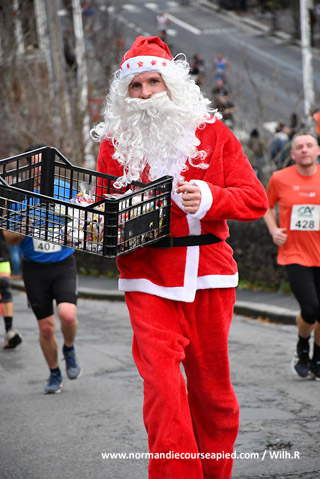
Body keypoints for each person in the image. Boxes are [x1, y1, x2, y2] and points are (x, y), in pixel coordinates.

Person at [91, 36, 268, 479]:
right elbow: (101, 209)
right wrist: (95, 214)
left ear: (173, 86)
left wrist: (210, 196)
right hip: (146, 276)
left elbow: (254, 200)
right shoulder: (113, 143)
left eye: (154, 82)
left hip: (209, 276)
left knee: (212, 394)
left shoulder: (213, 133)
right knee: (164, 392)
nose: (147, 94)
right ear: (124, 95)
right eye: (136, 86)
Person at [3, 144, 81, 394]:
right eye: (34, 165)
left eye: (44, 165)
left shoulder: (64, 189)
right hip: (35, 267)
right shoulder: (18, 194)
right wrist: (23, 226)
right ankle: (54, 374)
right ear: (28, 167)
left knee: (67, 314)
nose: (39, 171)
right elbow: (9, 239)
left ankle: (69, 348)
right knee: (46, 326)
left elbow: (82, 223)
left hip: (63, 262)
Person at [264, 132, 320, 380]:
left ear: (317, 151)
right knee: (310, 309)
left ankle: (317, 357)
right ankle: (302, 345)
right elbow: (265, 206)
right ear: (293, 154)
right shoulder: (280, 178)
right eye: (300, 147)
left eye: (310, 145)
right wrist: (274, 229)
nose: (305, 150)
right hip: (294, 254)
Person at [0, 230, 22, 349]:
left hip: (2, 256)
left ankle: (9, 331)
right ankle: (9, 330)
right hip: (3, 256)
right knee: (5, 291)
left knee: (5, 288)